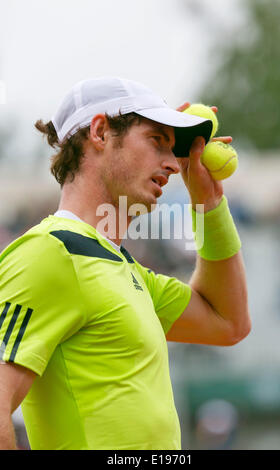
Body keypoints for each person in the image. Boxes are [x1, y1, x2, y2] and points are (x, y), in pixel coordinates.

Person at [0, 77, 251, 450]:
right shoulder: (50, 252)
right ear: (100, 132)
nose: (171, 164)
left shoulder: (125, 269)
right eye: (156, 141)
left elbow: (228, 322)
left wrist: (209, 202)